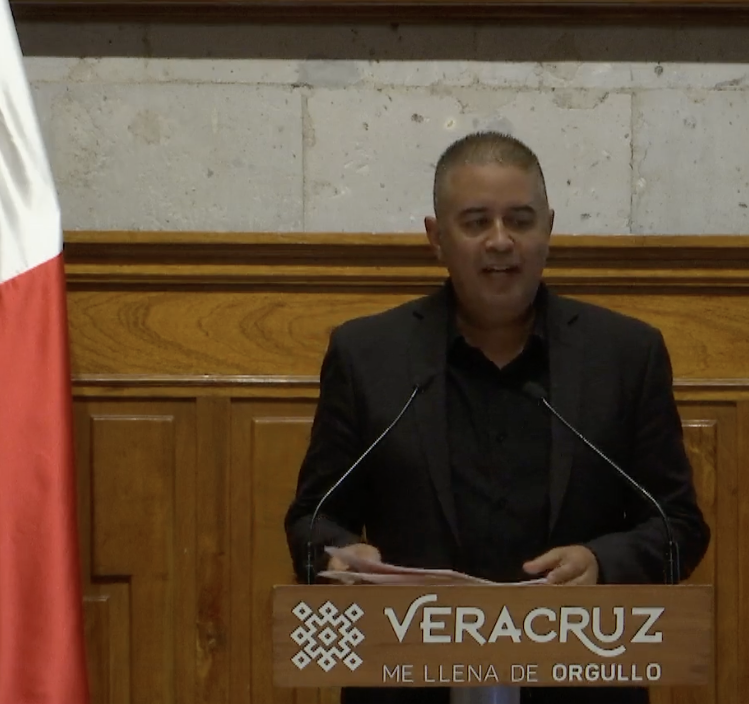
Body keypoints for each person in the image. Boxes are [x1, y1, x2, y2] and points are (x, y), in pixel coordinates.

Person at [284, 131, 710, 704]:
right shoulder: (368, 355)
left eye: (521, 220)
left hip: (582, 680)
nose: (501, 240)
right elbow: (312, 518)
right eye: (476, 222)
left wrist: (602, 563)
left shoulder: (626, 355)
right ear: (437, 238)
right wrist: (343, 556)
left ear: (548, 230)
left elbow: (678, 524)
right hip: (408, 679)